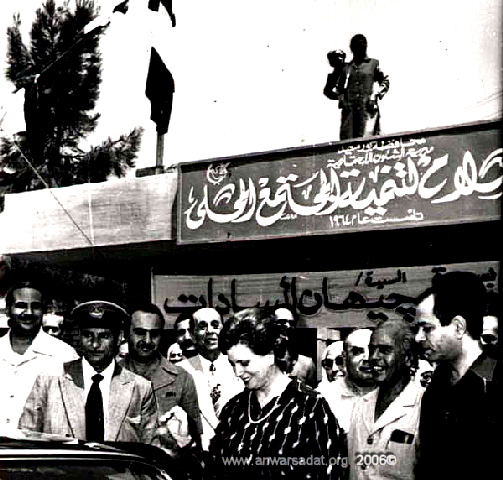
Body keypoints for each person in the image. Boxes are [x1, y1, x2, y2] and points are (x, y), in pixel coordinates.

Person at [210, 308, 344, 479]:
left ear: (271, 355)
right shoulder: (234, 409)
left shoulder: (311, 407)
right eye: (232, 363)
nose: (238, 372)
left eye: (244, 363)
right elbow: (214, 468)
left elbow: (331, 473)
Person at [19, 300, 158, 443]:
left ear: (119, 338)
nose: (95, 344)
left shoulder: (140, 389)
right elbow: (25, 441)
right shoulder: (49, 382)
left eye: (104, 336)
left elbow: (151, 448)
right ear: (79, 336)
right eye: (88, 335)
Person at [414, 272, 498, 480]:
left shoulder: (493, 384)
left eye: (427, 329)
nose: (418, 338)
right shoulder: (435, 388)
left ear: (459, 327)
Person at [348, 318, 423, 480]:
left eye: (385, 350)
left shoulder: (423, 405)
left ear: (408, 358)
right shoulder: (361, 405)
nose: (374, 357)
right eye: (372, 349)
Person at [0, 280, 78, 429]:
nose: (29, 312)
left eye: (35, 306)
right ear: (8, 310)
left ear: (43, 311)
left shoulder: (63, 355)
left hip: (39, 444)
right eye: (21, 305)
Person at [122, 302, 202, 448]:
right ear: (126, 334)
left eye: (154, 334)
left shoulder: (181, 379)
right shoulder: (112, 375)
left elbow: (195, 439)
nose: (147, 340)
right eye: (140, 332)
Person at [186, 307, 243, 416]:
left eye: (215, 325)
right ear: (192, 334)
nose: (210, 331)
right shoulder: (183, 370)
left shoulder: (239, 366)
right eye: (202, 327)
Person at [320, 328, 376, 433]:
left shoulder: (396, 396)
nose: (367, 358)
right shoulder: (324, 398)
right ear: (345, 357)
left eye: (372, 351)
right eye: (357, 352)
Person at [337, 34, 389, 140]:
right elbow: (339, 88)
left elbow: (385, 80)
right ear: (352, 48)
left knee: (368, 140)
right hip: (350, 113)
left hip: (367, 110)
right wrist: (342, 99)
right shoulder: (347, 68)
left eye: (363, 44)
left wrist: (376, 94)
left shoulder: (374, 64)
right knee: (348, 142)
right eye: (357, 45)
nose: (361, 47)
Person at [273, 306, 317, 387]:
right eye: (282, 322)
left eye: (291, 323)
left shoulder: (306, 364)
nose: (288, 326)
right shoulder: (261, 361)